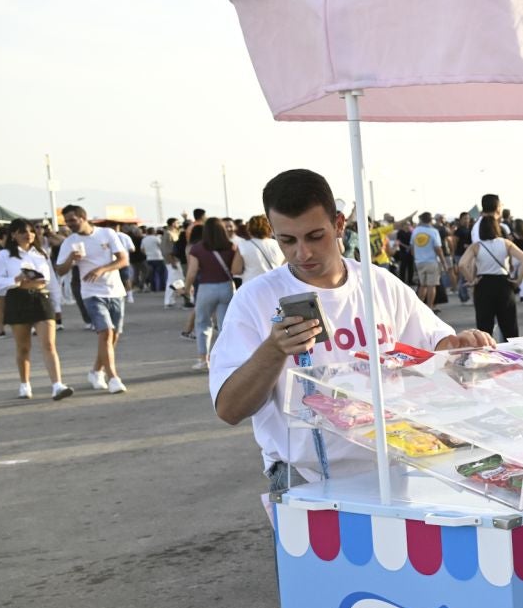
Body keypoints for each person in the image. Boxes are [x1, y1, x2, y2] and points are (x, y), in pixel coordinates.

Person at [210, 169, 492, 492]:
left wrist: (464, 345)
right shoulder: (254, 299)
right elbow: (230, 408)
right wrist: (273, 350)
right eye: (287, 240)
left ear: (340, 224)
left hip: (391, 469)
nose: (303, 253)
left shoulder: (380, 285)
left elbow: (437, 346)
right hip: (304, 477)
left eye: (315, 236)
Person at [0, 219, 73, 400]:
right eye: (22, 231)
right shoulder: (5, 255)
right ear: (13, 235)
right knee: (23, 347)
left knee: (49, 344)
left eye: (31, 231)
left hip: (41, 298)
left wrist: (57, 306)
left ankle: (57, 385)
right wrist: (16, 280)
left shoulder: (41, 253)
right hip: (18, 299)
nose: (29, 234)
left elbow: (52, 281)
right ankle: (24, 384)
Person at [52, 204, 130, 394]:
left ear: (83, 217)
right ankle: (113, 378)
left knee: (113, 336)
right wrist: (71, 258)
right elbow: (59, 270)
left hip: (115, 291)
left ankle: (96, 371)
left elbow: (123, 260)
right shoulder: (70, 242)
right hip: (91, 293)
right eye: (67, 221)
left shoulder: (107, 234)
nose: (70, 224)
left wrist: (102, 269)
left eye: (73, 220)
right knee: (105, 332)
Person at [458, 214, 523, 341]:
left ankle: (486, 356)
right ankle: (511, 356)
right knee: (509, 327)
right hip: (504, 284)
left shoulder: (476, 246)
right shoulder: (506, 243)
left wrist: (472, 281)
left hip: (483, 284)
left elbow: (462, 264)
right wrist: (519, 280)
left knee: (485, 328)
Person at [188, 217, 243, 370]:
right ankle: (225, 358)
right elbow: (237, 269)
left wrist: (186, 288)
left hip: (206, 288)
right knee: (225, 325)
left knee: (203, 323)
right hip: (227, 286)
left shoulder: (197, 248)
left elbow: (192, 272)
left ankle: (203, 359)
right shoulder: (231, 246)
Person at [408, 212, 444, 306]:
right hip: (431, 261)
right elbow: (438, 249)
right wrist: (444, 262)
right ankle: (430, 307)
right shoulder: (433, 231)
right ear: (430, 220)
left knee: (422, 285)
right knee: (431, 286)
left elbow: (412, 248)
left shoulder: (415, 231)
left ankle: (420, 307)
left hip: (419, 261)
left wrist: (417, 257)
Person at [237, 215, 284, 283]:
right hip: (275, 282)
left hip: (251, 284)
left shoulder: (243, 245)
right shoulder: (277, 243)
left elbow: (236, 270)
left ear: (249, 229)